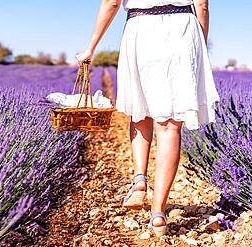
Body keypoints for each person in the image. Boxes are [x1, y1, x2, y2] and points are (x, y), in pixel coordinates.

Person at [76, 0, 220, 237]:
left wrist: (91, 46)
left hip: (141, 29)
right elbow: (202, 5)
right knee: (170, 127)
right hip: (183, 30)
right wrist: (199, 46)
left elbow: (112, 2)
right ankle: (158, 215)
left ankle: (140, 180)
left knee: (140, 109)